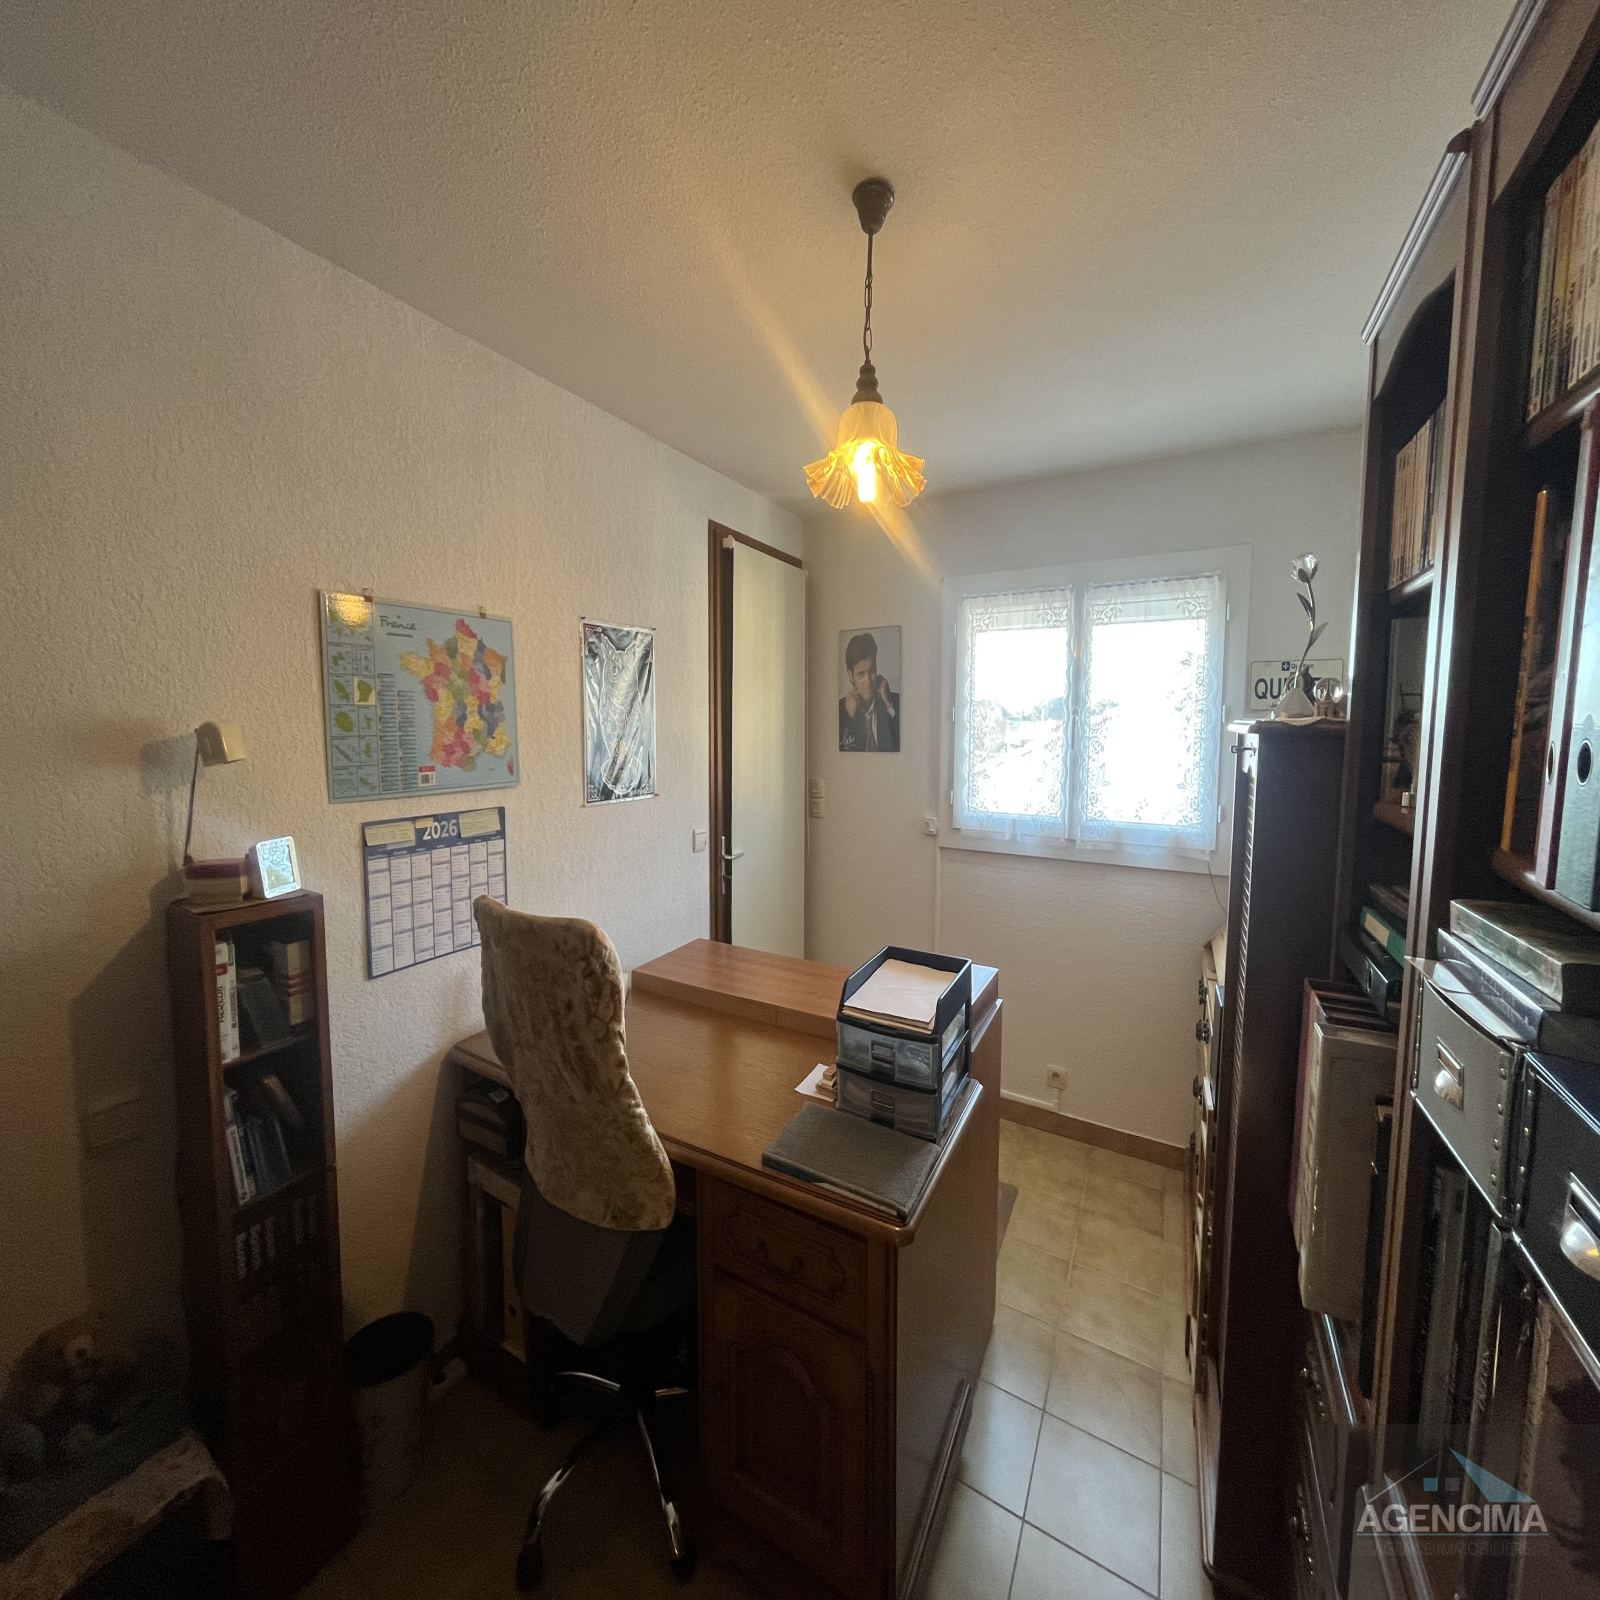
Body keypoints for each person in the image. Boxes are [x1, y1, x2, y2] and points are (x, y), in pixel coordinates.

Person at [839, 632, 900, 752]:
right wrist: (849, 717)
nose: (868, 681)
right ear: (851, 675)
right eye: (861, 674)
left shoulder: (894, 701)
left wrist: (888, 705)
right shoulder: (840, 710)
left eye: (872, 671)